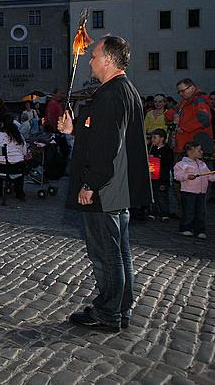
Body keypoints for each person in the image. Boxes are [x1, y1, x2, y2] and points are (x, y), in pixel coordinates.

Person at [59, 35, 152, 333]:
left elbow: (107, 147)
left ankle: (108, 312)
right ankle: (119, 307)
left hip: (105, 188)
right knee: (120, 252)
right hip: (117, 188)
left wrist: (90, 184)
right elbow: (100, 136)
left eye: (95, 55)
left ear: (109, 60)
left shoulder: (111, 94)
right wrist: (75, 130)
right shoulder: (124, 90)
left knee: (105, 254)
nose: (90, 60)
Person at [173, 141, 215, 239]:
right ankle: (186, 228)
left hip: (201, 192)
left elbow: (209, 176)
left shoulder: (202, 164)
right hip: (188, 192)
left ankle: (200, 230)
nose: (202, 152)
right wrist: (187, 176)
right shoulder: (181, 164)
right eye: (199, 150)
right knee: (189, 211)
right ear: (190, 151)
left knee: (201, 211)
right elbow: (177, 176)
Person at [170, 79, 213, 157]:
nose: (180, 94)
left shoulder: (199, 100)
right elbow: (172, 112)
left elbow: (204, 119)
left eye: (182, 91)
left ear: (192, 88)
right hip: (188, 146)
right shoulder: (185, 102)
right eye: (179, 92)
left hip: (197, 147)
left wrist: (183, 127)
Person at [0, 114, 27, 200]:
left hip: (0, 166)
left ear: (2, 124)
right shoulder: (19, 136)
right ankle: (19, 192)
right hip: (17, 166)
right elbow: (24, 152)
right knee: (20, 169)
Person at [147, 128, 173, 221]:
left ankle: (164, 213)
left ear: (161, 139)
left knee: (162, 196)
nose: (152, 139)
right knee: (153, 195)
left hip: (162, 177)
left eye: (155, 137)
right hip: (152, 176)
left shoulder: (167, 149)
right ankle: (153, 212)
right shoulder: (151, 147)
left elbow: (168, 161)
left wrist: (157, 158)